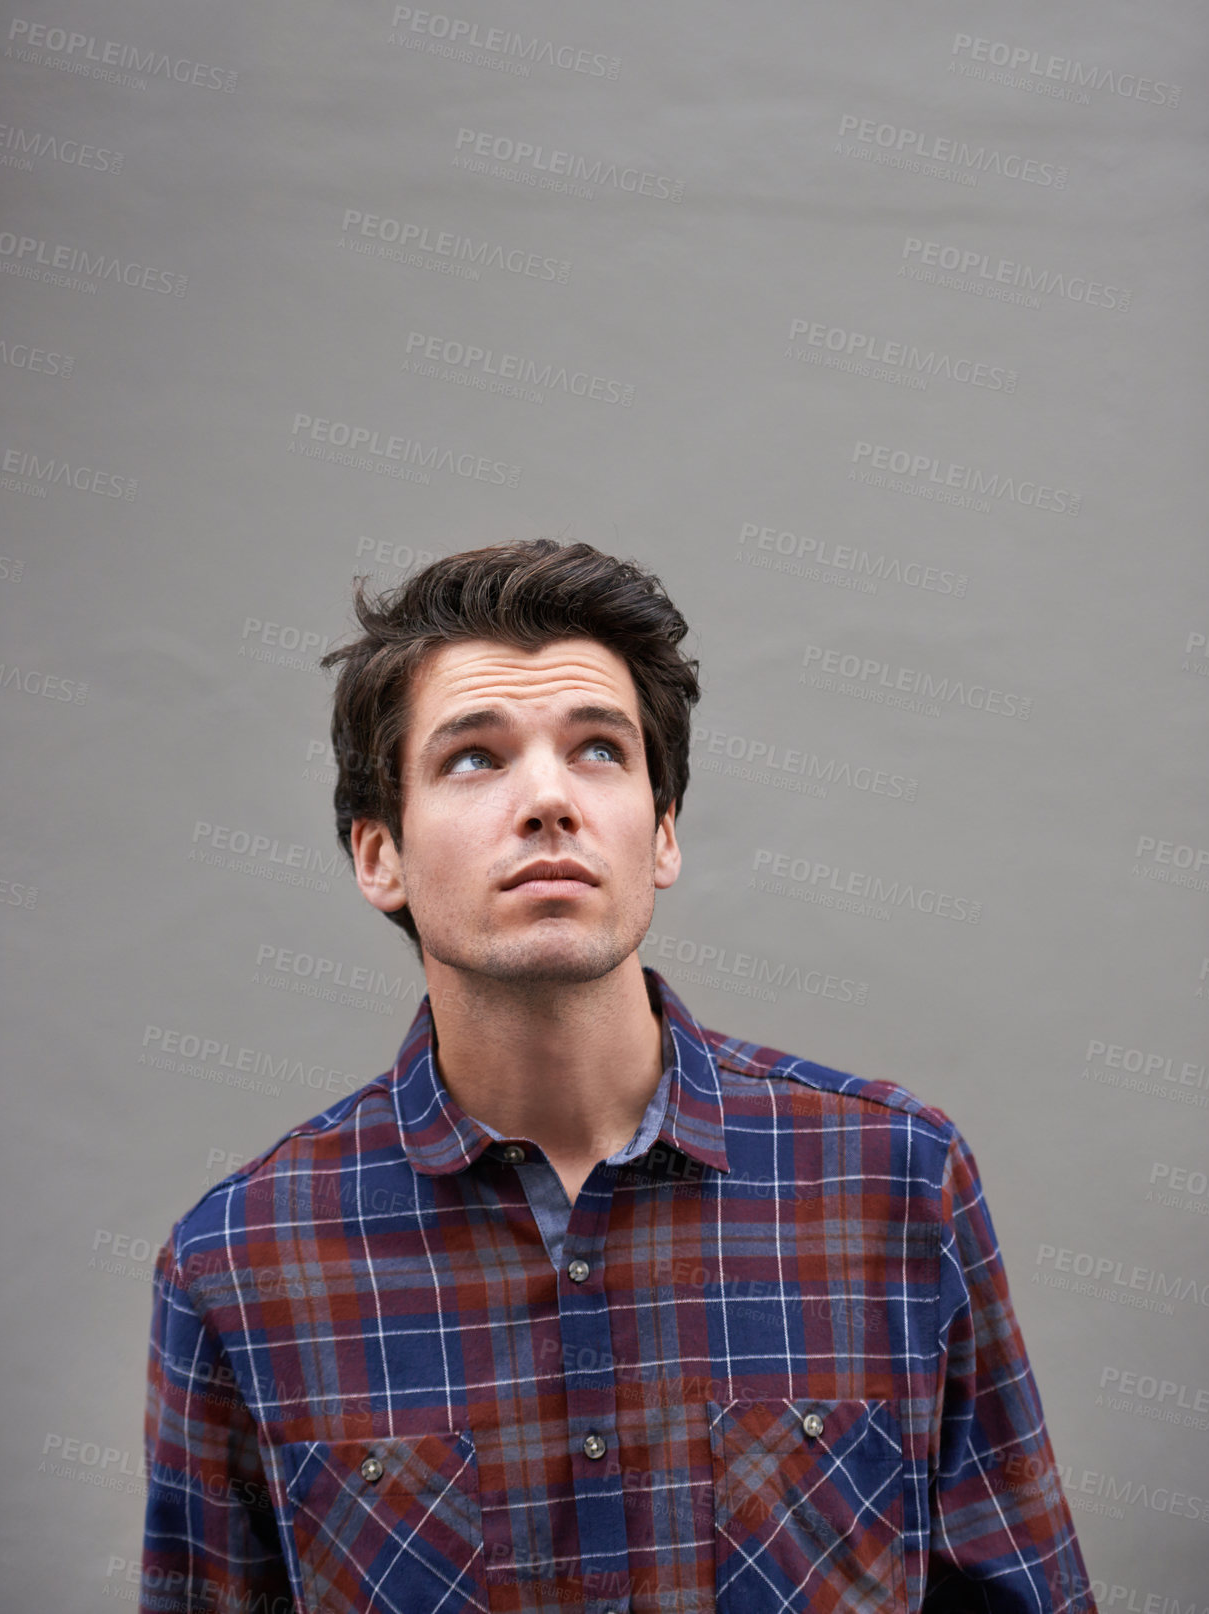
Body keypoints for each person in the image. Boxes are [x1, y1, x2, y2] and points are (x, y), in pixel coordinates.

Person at [139, 539, 1096, 1611]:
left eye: (599, 750)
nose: (549, 799)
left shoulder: (894, 1183)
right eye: (473, 758)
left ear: (664, 836)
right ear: (380, 856)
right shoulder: (242, 1263)